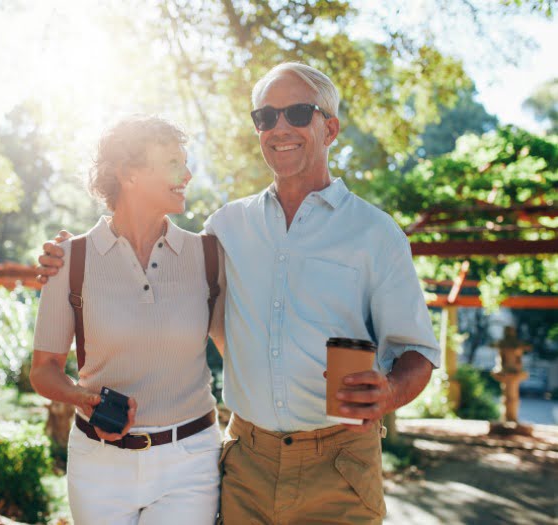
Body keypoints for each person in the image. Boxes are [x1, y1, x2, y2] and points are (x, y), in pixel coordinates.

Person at [37, 63, 440, 525]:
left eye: (297, 113)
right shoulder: (225, 229)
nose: (279, 128)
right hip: (247, 462)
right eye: (266, 118)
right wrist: (66, 257)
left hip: (341, 466)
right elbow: (145, 256)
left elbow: (416, 352)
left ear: (329, 128)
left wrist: (389, 391)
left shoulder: (376, 233)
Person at [29, 115, 226, 525]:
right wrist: (85, 398)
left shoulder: (208, 257)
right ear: (129, 172)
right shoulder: (69, 261)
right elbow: (44, 371)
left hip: (190, 462)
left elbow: (239, 352)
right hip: (98, 465)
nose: (187, 174)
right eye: (173, 162)